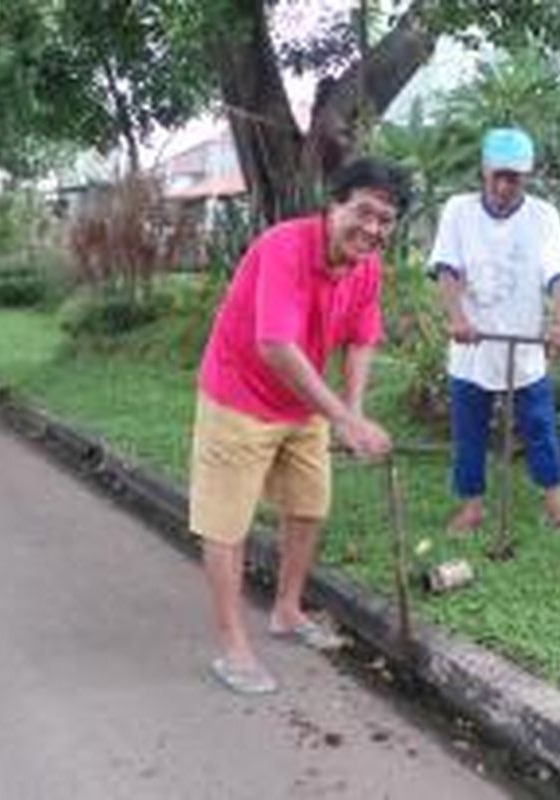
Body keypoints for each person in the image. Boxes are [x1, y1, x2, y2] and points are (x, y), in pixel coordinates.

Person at [190, 157, 411, 695]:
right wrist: (341, 416)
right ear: (333, 204)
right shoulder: (285, 247)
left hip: (304, 405)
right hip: (239, 396)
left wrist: (352, 414)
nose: (372, 229)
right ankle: (232, 645)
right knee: (227, 524)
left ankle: (287, 610)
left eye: (385, 220)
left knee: (309, 506)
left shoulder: (367, 267)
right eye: (363, 212)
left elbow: (361, 339)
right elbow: (274, 346)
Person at [429, 127, 560, 535]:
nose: (504, 185)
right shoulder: (458, 210)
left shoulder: (543, 216)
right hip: (472, 345)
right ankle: (472, 506)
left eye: (514, 177)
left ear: (528, 176)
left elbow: (558, 274)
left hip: (523, 345)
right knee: (469, 431)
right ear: (483, 171)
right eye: (497, 175)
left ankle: (556, 503)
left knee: (539, 426)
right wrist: (457, 317)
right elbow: (447, 268)